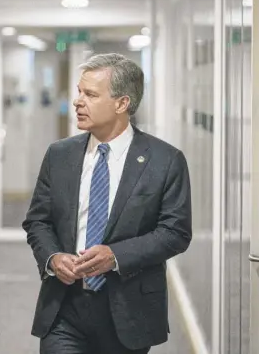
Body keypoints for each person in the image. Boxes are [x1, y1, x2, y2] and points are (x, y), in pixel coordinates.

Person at [22, 53, 192, 354]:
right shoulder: (59, 155)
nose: (77, 101)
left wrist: (115, 255)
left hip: (129, 308)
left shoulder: (165, 160)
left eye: (90, 94)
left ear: (122, 103)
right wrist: (52, 258)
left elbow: (175, 232)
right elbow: (38, 221)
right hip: (64, 306)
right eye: (79, 91)